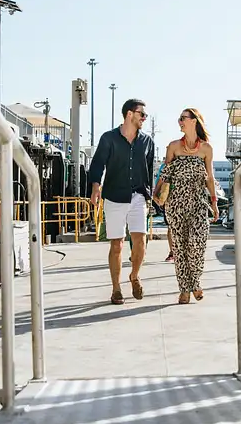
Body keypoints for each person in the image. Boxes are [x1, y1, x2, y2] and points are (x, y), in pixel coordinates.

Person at [89, 98, 156, 305]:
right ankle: (116, 288)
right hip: (115, 197)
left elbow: (150, 171)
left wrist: (150, 196)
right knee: (117, 244)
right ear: (129, 114)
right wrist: (95, 188)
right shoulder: (109, 138)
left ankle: (134, 276)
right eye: (141, 114)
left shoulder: (147, 142)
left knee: (140, 241)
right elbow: (98, 164)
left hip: (138, 197)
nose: (144, 118)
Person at [154, 108, 219, 304]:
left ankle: (195, 282)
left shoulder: (206, 148)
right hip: (175, 204)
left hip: (198, 203)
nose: (180, 121)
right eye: (179, 119)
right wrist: (156, 196)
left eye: (183, 118)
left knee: (196, 244)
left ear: (194, 121)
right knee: (180, 248)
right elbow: (165, 173)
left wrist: (214, 203)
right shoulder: (173, 146)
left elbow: (210, 179)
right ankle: (185, 289)